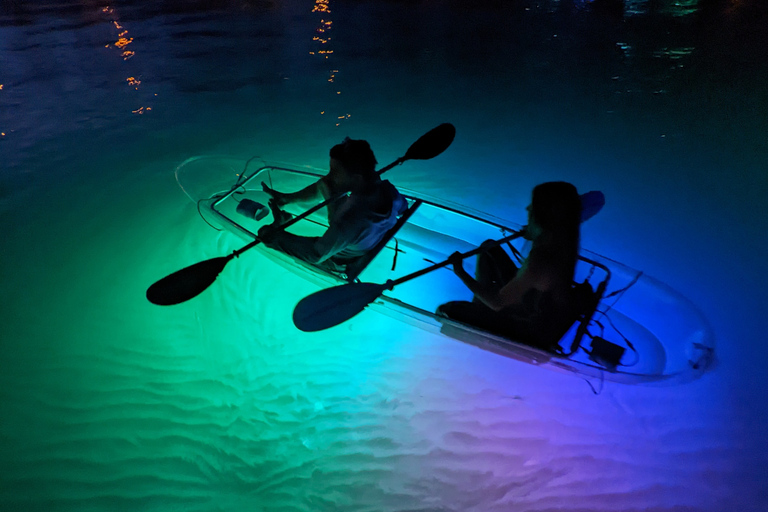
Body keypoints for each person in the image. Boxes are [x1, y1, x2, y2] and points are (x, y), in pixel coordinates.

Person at [436, 181, 583, 350]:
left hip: (522, 324)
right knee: (488, 248)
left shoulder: (542, 258)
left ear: (545, 212)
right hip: (530, 302)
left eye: (534, 205)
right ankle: (481, 304)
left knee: (446, 310)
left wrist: (460, 271)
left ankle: (483, 306)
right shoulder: (562, 242)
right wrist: (535, 232)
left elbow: (498, 303)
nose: (528, 209)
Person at [257, 137, 408, 272]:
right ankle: (287, 199)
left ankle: (279, 225)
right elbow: (403, 208)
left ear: (356, 178)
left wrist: (274, 233)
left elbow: (315, 255)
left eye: (335, 171)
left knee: (265, 233)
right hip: (361, 238)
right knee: (326, 184)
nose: (329, 175)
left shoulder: (348, 220)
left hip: (337, 260)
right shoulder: (389, 191)